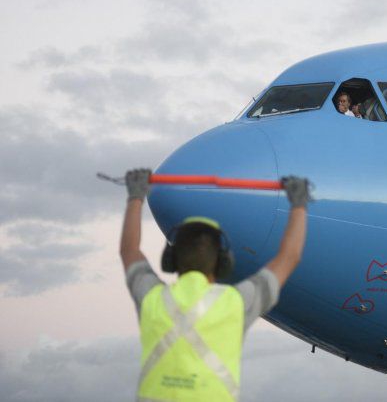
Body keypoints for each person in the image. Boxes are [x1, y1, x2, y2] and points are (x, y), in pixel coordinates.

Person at [120, 168, 312, 401]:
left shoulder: (152, 298)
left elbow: (129, 250)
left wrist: (136, 197)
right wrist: (299, 205)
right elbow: (289, 257)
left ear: (171, 260)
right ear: (223, 262)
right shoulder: (235, 304)